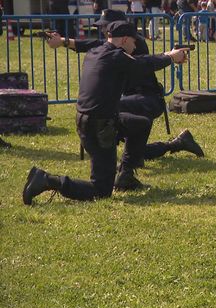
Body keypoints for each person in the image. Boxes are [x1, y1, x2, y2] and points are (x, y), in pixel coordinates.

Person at [22, 21, 188, 205]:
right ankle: (47, 180)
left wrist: (169, 55)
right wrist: (171, 57)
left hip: (92, 120)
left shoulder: (98, 51)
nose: (136, 45)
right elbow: (142, 63)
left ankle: (125, 174)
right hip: (99, 127)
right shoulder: (116, 58)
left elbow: (135, 59)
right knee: (101, 190)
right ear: (125, 39)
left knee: (140, 123)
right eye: (134, 41)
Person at [45, 10, 204, 180]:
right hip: (130, 97)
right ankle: (174, 145)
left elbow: (144, 63)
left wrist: (169, 57)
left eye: (106, 27)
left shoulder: (135, 43)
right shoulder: (114, 44)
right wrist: (62, 41)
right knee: (130, 139)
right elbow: (92, 45)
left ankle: (127, 168)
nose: (105, 32)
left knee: (110, 113)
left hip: (147, 97)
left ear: (122, 31)